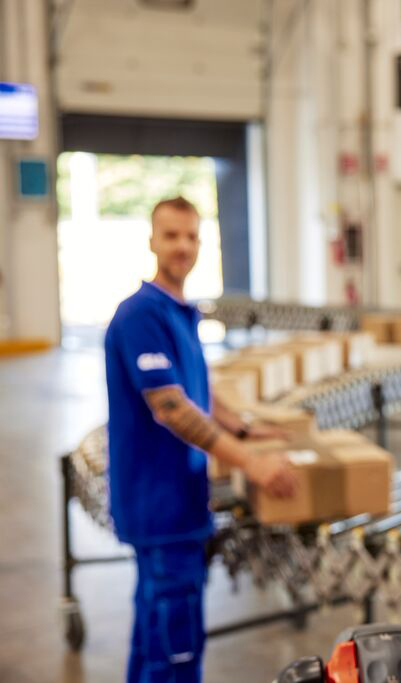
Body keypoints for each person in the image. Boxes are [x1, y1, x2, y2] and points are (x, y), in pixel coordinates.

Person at [104, 196, 299, 683]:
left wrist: (248, 429)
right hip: (160, 504)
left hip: (181, 501)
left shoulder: (180, 312)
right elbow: (170, 406)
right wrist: (250, 463)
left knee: (154, 629)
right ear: (152, 240)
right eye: (171, 235)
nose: (182, 246)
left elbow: (198, 389)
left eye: (191, 236)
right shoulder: (141, 315)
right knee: (176, 648)